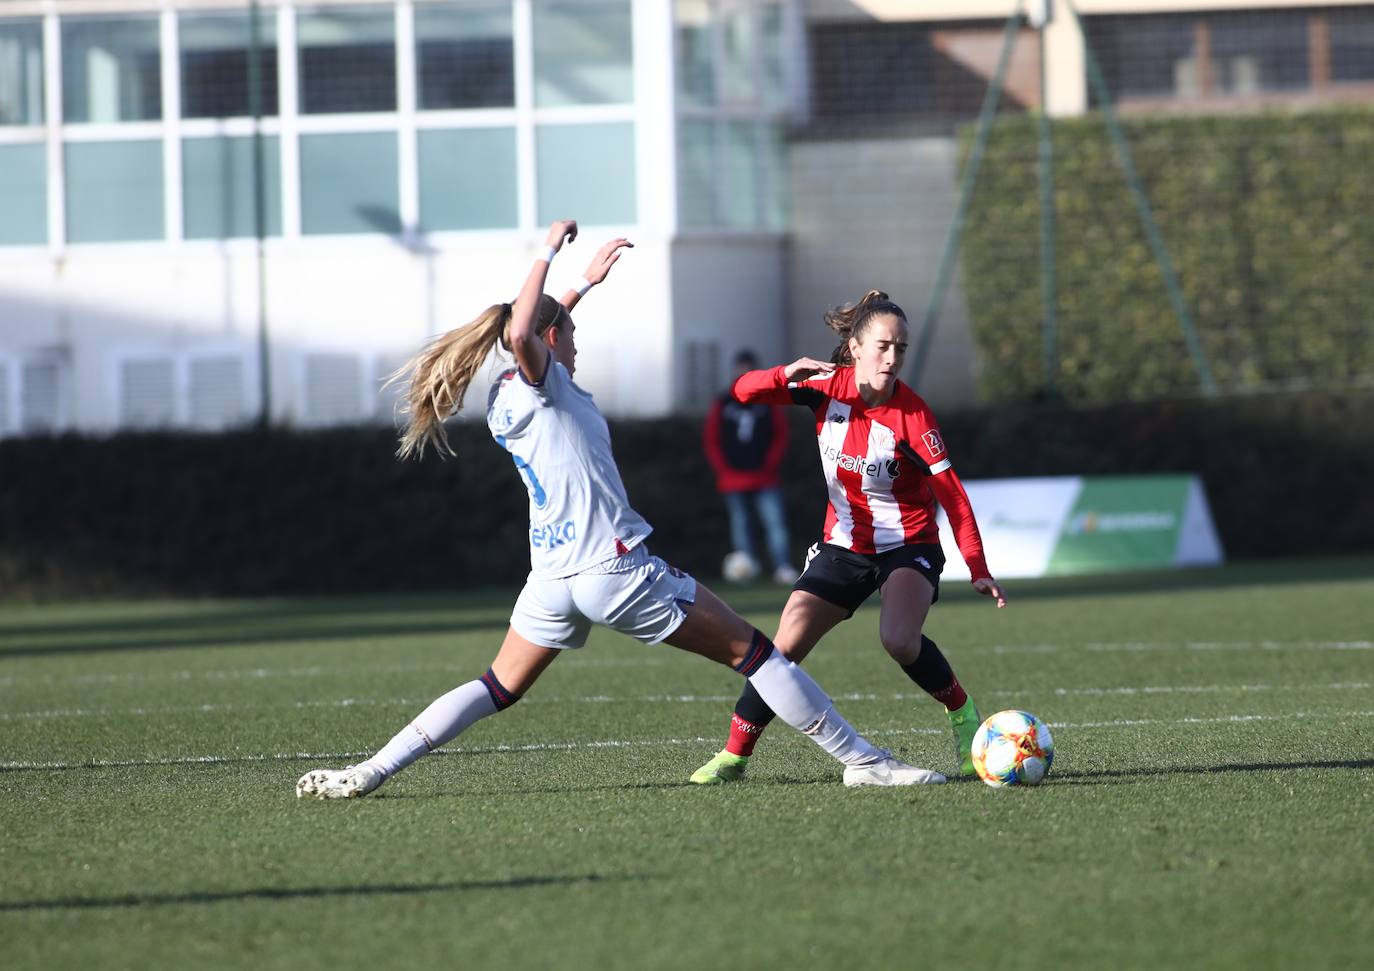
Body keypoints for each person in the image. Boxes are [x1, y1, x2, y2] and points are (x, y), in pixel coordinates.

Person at [297, 226, 947, 799]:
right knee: (761, 656)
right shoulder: (539, 378)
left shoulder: (504, 395)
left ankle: (373, 769)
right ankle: (864, 762)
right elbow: (528, 329)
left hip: (551, 577)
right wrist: (548, 251)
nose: (575, 346)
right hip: (613, 570)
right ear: (550, 341)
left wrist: (581, 285)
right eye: (570, 335)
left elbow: (535, 327)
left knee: (498, 685)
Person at [689, 290, 1008, 786]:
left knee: (899, 640)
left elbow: (955, 499)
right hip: (843, 546)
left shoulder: (915, 417)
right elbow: (743, 392)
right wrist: (783, 373)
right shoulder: (824, 387)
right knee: (781, 651)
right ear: (855, 347)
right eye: (883, 346)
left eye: (901, 349)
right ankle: (734, 756)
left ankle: (963, 716)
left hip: (908, 544)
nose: (893, 357)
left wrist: (978, 566)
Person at [703, 349, 800, 585]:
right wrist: (723, 468)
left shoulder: (768, 401)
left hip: (764, 477)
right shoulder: (724, 401)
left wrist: (770, 462)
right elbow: (712, 438)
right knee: (740, 524)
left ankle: (782, 567)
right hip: (733, 477)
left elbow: (780, 435)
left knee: (775, 523)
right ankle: (747, 571)